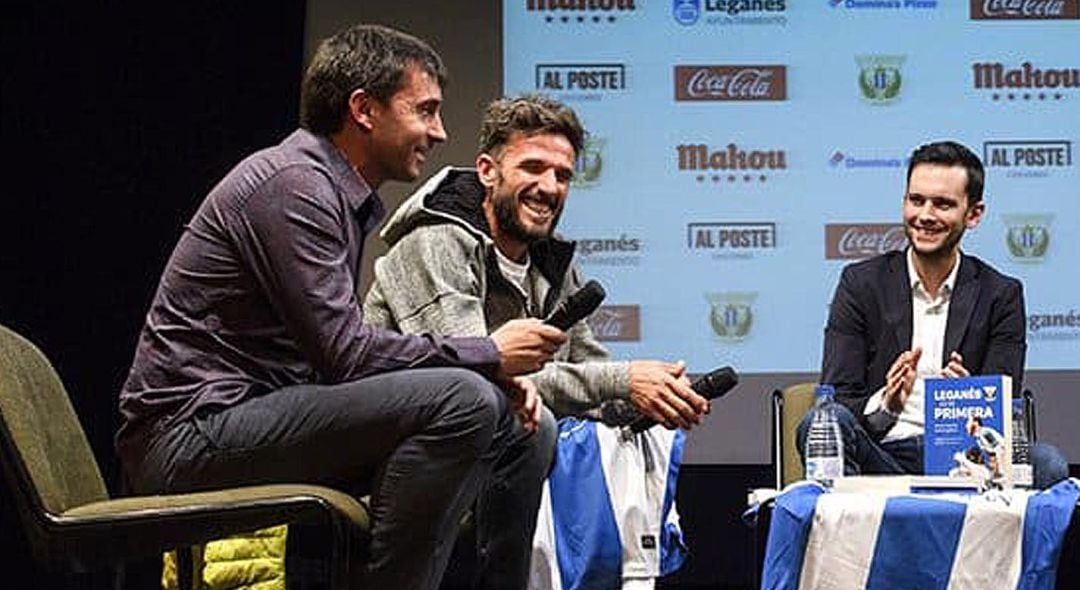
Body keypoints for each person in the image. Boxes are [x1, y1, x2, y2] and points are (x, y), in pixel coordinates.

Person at [115, 24, 567, 590]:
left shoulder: (334, 192)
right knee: (466, 398)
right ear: (364, 109)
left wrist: (490, 369)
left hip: (250, 422)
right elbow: (345, 356)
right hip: (189, 437)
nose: (438, 131)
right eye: (425, 111)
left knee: (526, 429)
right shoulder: (295, 185)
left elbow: (336, 357)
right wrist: (487, 355)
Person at [363, 94, 710, 589]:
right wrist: (623, 381)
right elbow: (472, 377)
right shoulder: (434, 243)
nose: (549, 188)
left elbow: (592, 378)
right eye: (533, 168)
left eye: (563, 175)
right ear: (487, 170)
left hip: (502, 462)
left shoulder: (551, 264)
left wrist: (656, 397)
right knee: (530, 424)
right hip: (410, 457)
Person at [799, 140, 1068, 489]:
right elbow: (840, 397)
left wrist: (969, 402)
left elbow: (1002, 411)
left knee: (1047, 463)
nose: (925, 215)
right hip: (882, 456)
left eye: (942, 204)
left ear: (973, 214)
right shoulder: (861, 283)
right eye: (916, 200)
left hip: (967, 462)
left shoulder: (1001, 293)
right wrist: (887, 404)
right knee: (823, 422)